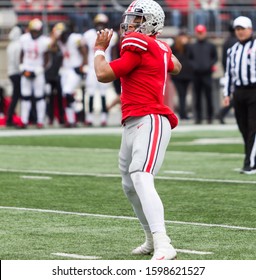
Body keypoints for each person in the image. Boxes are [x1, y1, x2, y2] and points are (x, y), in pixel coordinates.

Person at [94, 0, 182, 260]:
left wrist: (99, 50)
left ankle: (164, 242)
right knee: (129, 185)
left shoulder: (139, 44)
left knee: (141, 176)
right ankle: (150, 238)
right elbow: (176, 66)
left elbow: (103, 74)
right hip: (132, 120)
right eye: (130, 18)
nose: (129, 24)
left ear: (151, 22)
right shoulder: (159, 47)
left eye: (136, 19)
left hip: (151, 118)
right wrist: (162, 52)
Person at [223, 16, 256, 175]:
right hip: (239, 92)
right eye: (237, 29)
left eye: (242, 29)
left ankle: (249, 163)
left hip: (254, 91)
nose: (240, 32)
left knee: (253, 128)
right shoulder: (233, 50)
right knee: (243, 127)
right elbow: (229, 73)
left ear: (250, 29)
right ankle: (251, 158)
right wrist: (227, 93)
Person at [83, 13, 119, 126]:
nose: (100, 26)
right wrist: (84, 62)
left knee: (103, 93)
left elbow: (113, 52)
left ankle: (104, 118)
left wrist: (113, 65)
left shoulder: (111, 34)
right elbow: (84, 49)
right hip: (91, 66)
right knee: (91, 92)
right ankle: (89, 118)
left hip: (105, 65)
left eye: (102, 24)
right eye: (98, 24)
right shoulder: (88, 34)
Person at [52, 22, 87, 127]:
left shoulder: (74, 38)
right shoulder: (59, 41)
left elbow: (84, 51)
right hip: (65, 70)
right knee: (64, 94)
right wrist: (55, 37)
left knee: (67, 92)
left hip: (75, 68)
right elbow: (52, 47)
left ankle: (78, 109)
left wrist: (83, 65)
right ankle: (71, 120)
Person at [19, 18, 51, 129]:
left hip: (38, 70)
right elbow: (22, 54)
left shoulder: (44, 41)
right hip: (26, 69)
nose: (34, 33)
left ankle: (40, 121)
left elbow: (47, 58)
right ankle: (24, 120)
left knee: (39, 97)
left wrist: (39, 70)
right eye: (33, 30)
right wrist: (22, 67)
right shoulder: (24, 39)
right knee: (25, 96)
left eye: (36, 31)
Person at [187, 24, 218, 124]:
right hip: (196, 75)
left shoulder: (211, 45)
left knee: (209, 96)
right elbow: (189, 59)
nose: (200, 35)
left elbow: (215, 58)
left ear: (205, 33)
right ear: (196, 33)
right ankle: (198, 118)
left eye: (202, 33)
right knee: (197, 97)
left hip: (207, 74)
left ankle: (210, 117)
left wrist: (209, 65)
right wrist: (194, 66)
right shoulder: (192, 46)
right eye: (198, 33)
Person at [217, 21, 237, 124]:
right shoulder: (236, 42)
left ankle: (222, 113)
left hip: (229, 73)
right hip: (236, 74)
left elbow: (223, 60)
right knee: (238, 96)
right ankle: (222, 113)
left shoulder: (226, 42)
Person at [171, 30, 193, 120]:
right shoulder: (174, 47)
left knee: (184, 94)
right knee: (181, 94)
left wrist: (186, 45)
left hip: (187, 75)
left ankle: (184, 113)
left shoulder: (189, 47)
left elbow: (191, 56)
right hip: (178, 76)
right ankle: (182, 113)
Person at [6, 25, 22, 126]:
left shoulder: (10, 45)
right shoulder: (17, 45)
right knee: (17, 96)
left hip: (11, 72)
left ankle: (11, 117)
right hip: (16, 73)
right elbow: (17, 61)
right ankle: (10, 118)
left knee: (16, 96)